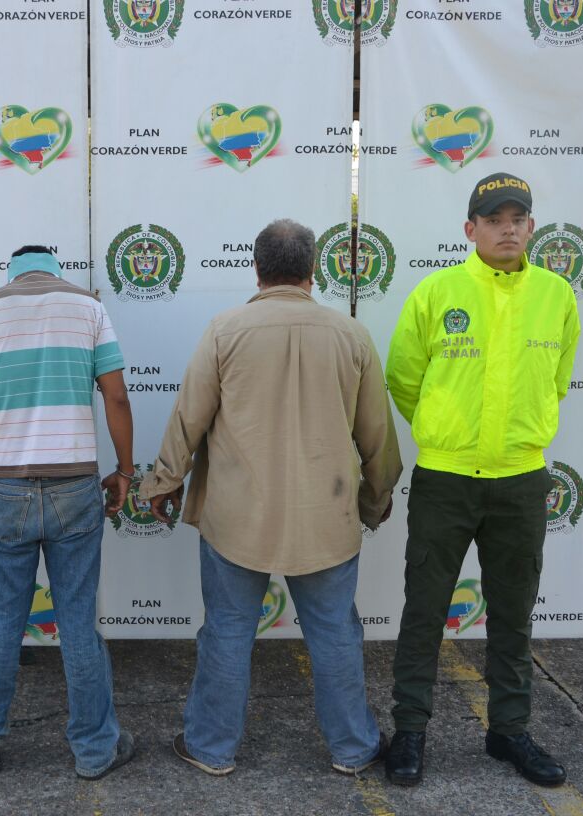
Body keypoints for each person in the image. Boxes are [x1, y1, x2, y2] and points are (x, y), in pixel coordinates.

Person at [139, 218, 402, 777]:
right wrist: (375, 501)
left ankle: (211, 747)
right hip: (326, 520)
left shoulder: (224, 330)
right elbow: (378, 436)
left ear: (256, 268)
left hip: (237, 519)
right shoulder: (350, 334)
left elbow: (189, 419)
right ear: (313, 271)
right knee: (335, 634)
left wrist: (164, 481)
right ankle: (353, 749)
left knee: (228, 632)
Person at [383, 173, 580, 788]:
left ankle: (508, 731)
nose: (508, 229)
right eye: (495, 219)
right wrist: (444, 432)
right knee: (424, 611)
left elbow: (557, 379)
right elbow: (403, 379)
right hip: (446, 480)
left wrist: (518, 436)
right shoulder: (437, 291)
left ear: (532, 228)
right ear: (470, 229)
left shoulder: (557, 295)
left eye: (519, 218)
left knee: (515, 614)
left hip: (520, 482)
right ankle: (410, 731)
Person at [0, 245, 137, 779]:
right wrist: (124, 469)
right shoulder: (88, 307)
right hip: (75, 486)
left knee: (3, 625)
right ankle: (96, 751)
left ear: (11, 271)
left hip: (7, 490)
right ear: (57, 269)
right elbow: (116, 399)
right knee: (77, 623)